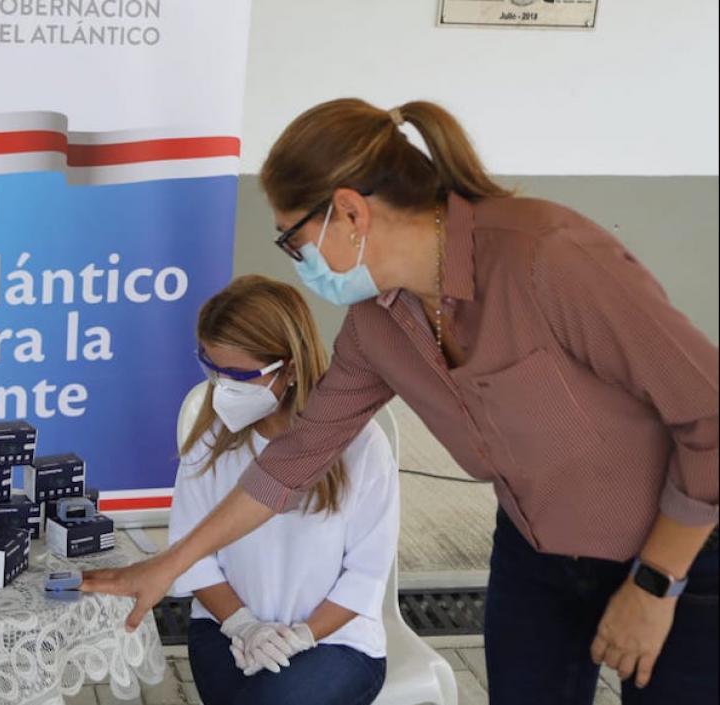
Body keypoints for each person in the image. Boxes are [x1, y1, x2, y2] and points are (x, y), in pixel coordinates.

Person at [83, 99, 718, 705]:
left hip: (677, 553)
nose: (298, 262)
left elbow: (709, 415)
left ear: (350, 212)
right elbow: (293, 459)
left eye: (291, 240)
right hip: (535, 551)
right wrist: (169, 564)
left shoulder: (547, 257)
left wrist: (656, 583)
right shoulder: (376, 325)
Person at [174, 275, 398, 705]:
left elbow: (367, 575)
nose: (222, 388)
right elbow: (191, 556)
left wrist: (301, 637)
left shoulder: (362, 446)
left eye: (239, 375)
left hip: (336, 640)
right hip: (226, 628)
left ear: (290, 368)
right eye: (212, 369)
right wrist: (244, 625)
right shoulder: (209, 440)